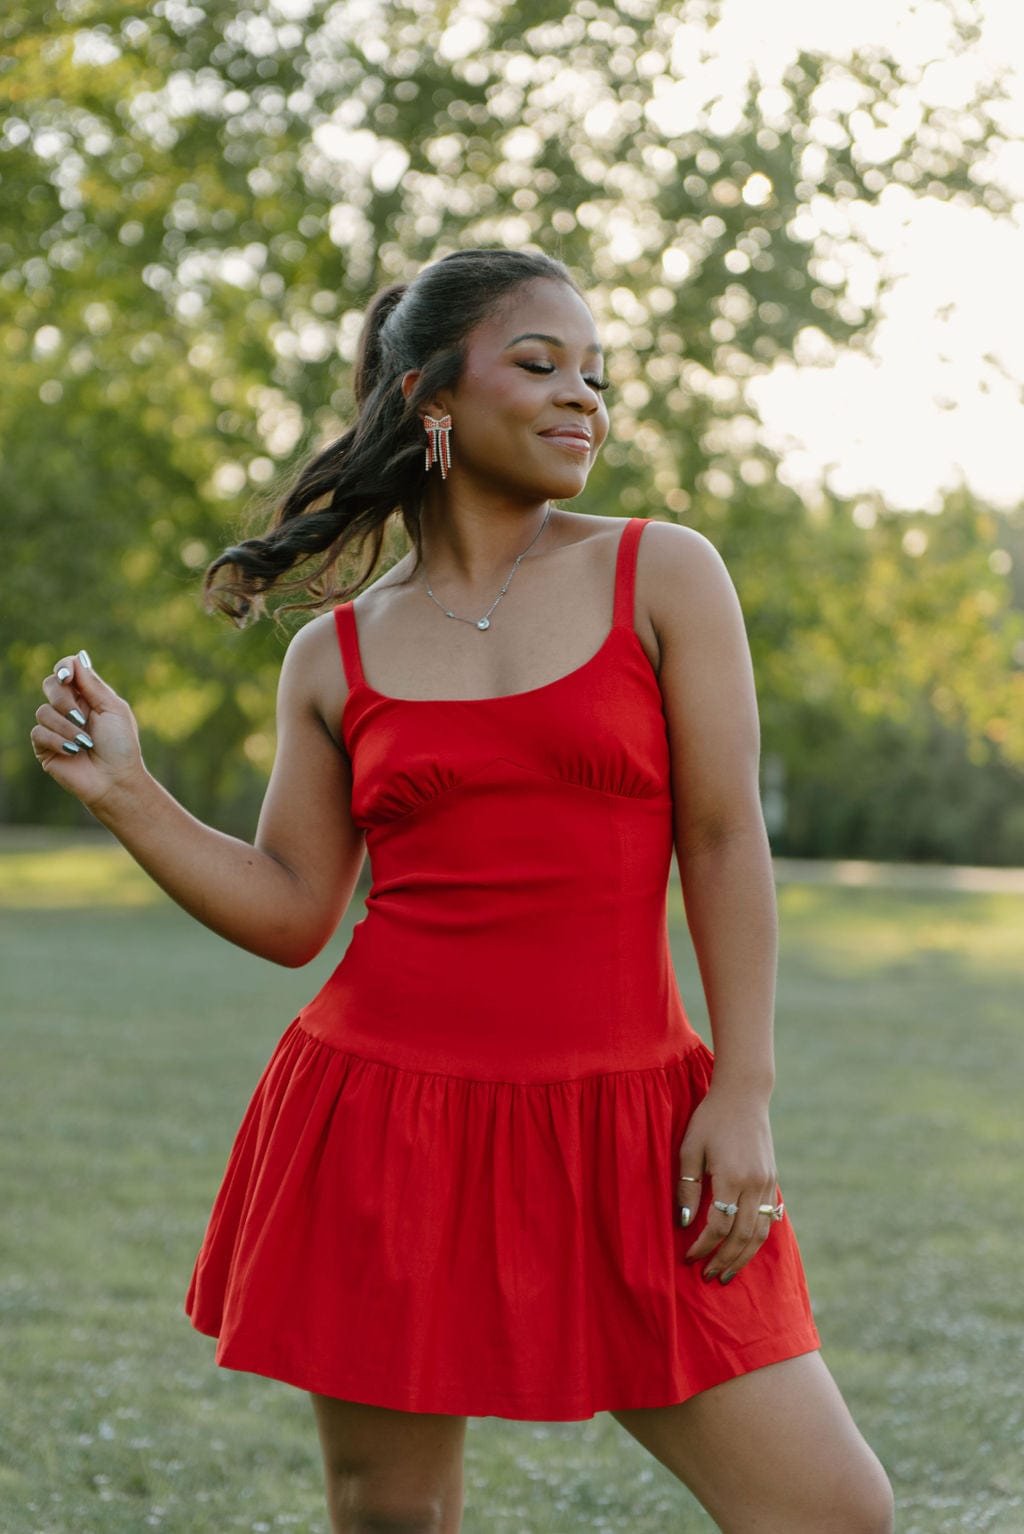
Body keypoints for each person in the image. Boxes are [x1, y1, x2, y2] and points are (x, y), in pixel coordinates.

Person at [31, 248, 894, 1534]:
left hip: (633, 1123)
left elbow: (721, 840)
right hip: (384, 1120)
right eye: (540, 365)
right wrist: (128, 795)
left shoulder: (664, 574)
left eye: (595, 376)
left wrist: (742, 1088)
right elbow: (291, 914)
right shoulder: (335, 652)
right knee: (392, 1515)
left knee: (830, 1509)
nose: (583, 398)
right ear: (429, 397)